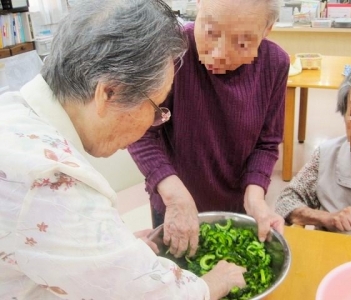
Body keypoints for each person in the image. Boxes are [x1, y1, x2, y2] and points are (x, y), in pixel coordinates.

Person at [0, 1, 247, 299]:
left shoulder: (12, 110)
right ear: (108, 92)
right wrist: (213, 283)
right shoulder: (52, 182)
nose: (152, 124)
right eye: (157, 107)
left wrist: (111, 252)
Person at [128, 0, 289, 258]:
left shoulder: (275, 64)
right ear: (199, 5)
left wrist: (255, 199)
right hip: (173, 199)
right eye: (210, 32)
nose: (218, 54)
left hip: (235, 207)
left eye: (243, 43)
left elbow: (266, 143)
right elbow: (140, 131)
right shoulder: (170, 49)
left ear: (267, 29)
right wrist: (174, 196)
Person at [275, 58, 351, 242]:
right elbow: (285, 202)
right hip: (334, 258)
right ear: (344, 115)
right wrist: (326, 218)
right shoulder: (326, 155)